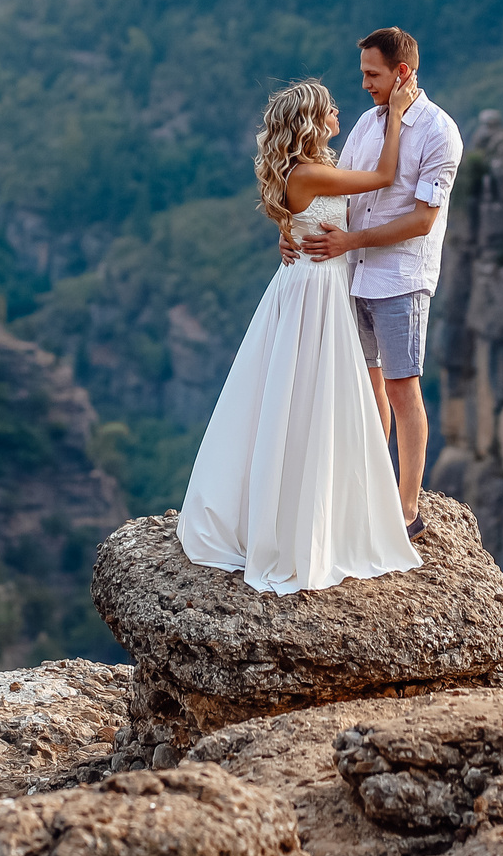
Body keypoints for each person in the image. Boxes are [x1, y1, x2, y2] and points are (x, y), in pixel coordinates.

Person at [175, 77, 425, 593]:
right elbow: (383, 175)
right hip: (318, 290)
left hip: (308, 282)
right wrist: (398, 114)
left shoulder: (303, 171)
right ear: (313, 121)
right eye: (331, 108)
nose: (338, 113)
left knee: (299, 393)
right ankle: (311, 511)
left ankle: (307, 496)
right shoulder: (311, 172)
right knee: (314, 393)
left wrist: (286, 238)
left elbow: (298, 218)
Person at [288, 28, 462, 535]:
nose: (363, 83)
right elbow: (338, 192)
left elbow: (423, 221)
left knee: (403, 388)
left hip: (401, 279)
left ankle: (407, 510)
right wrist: (294, 232)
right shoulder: (368, 123)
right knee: (369, 388)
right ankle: (369, 493)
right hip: (354, 276)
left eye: (372, 74)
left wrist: (351, 242)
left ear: (402, 72)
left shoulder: (438, 132)